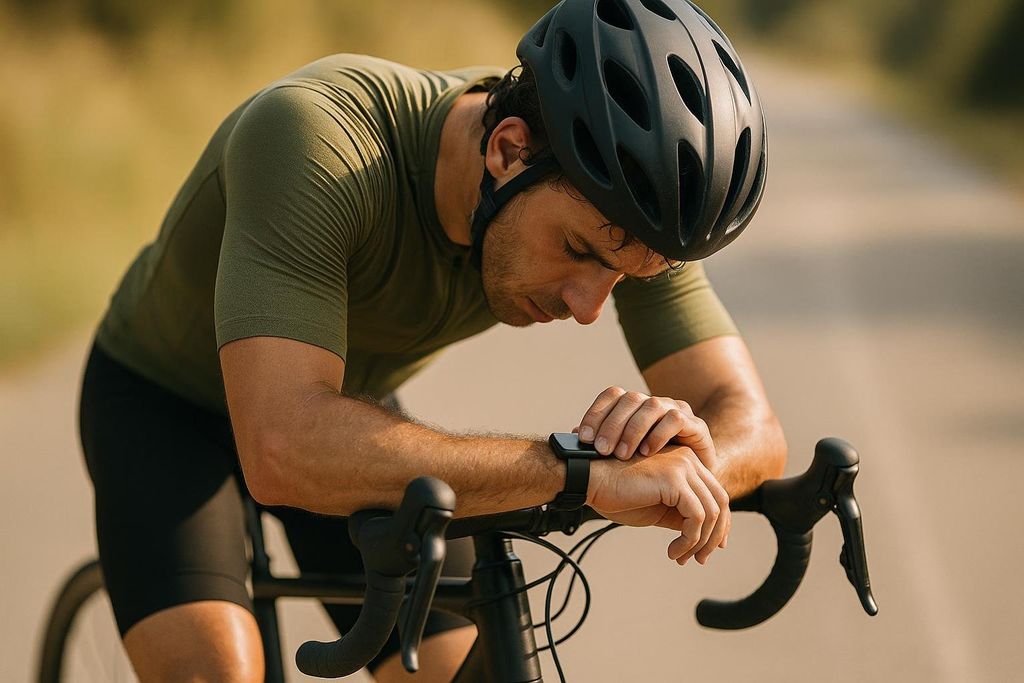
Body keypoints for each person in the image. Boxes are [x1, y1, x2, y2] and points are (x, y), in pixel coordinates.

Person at [78, 0, 786, 680]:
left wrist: (687, 460)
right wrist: (580, 472)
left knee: (458, 675)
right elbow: (283, 445)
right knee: (217, 672)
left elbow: (749, 420)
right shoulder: (320, 141)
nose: (588, 306)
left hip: (340, 406)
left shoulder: (620, 217)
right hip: (166, 404)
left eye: (626, 278)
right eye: (576, 250)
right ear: (508, 149)